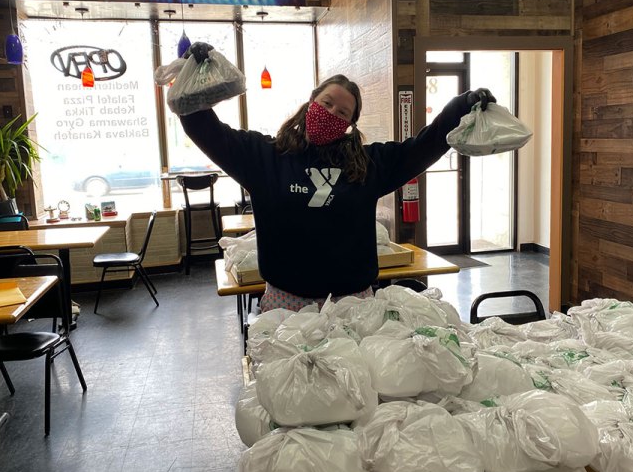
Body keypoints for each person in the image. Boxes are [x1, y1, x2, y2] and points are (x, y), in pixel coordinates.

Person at [177, 43, 495, 312]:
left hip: (353, 305)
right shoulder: (265, 157)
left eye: (342, 113)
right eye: (326, 103)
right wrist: (196, 73)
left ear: (350, 124)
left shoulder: (369, 165)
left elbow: (423, 146)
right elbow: (206, 132)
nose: (331, 113)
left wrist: (461, 106)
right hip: (286, 306)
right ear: (311, 103)